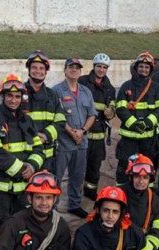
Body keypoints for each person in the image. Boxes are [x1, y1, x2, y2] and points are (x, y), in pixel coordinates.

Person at [0, 74, 45, 228]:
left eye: (17, 96)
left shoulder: (27, 120)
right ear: (2, 96)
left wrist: (32, 166)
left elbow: (39, 148)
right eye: (9, 95)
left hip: (23, 192)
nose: (14, 100)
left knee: (21, 229)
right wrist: (22, 169)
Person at [53, 58, 98, 218]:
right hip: (63, 143)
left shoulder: (86, 91)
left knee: (77, 177)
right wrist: (72, 132)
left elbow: (92, 114)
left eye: (77, 68)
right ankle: (52, 207)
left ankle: (74, 205)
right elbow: (56, 116)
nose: (74, 70)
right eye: (70, 67)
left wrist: (82, 131)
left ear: (80, 72)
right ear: (64, 70)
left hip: (81, 142)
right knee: (56, 177)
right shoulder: (56, 91)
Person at [115, 52, 159, 184]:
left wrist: (148, 122)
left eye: (147, 67)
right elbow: (120, 108)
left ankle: (147, 195)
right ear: (136, 67)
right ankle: (122, 194)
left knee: (148, 169)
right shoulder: (126, 86)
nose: (144, 69)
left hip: (149, 140)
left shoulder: (156, 88)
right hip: (129, 140)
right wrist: (134, 124)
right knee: (125, 169)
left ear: (151, 70)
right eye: (141, 66)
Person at [79, 53, 117, 200]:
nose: (101, 70)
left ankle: (90, 193)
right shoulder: (82, 82)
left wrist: (110, 112)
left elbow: (112, 107)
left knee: (94, 169)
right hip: (83, 134)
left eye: (104, 67)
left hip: (99, 135)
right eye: (99, 66)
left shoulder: (110, 88)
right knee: (79, 168)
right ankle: (75, 194)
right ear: (94, 67)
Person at [119, 154, 159, 250]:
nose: (141, 182)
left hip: (142, 244)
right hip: (118, 244)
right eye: (137, 176)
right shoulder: (119, 194)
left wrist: (149, 246)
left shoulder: (155, 201)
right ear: (130, 177)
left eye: (145, 177)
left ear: (150, 179)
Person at [25, 50, 66, 173]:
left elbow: (61, 121)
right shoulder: (19, 94)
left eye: (41, 68)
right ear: (28, 69)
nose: (38, 71)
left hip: (48, 158)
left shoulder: (52, 95)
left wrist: (46, 136)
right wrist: (35, 138)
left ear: (46, 71)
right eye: (34, 67)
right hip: (25, 156)